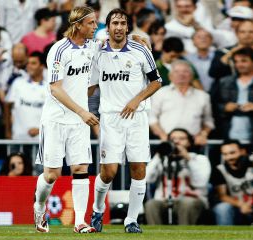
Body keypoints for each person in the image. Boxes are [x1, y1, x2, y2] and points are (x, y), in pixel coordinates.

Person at [89, 8, 162, 233]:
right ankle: (97, 210)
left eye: (122, 23)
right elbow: (90, 87)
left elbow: (156, 81)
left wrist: (136, 100)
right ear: (108, 27)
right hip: (110, 119)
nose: (119, 27)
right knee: (109, 171)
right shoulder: (98, 53)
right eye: (114, 23)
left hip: (137, 118)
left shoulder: (140, 49)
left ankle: (132, 220)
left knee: (138, 168)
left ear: (128, 27)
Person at [33, 6, 99, 234]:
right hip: (56, 120)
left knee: (81, 168)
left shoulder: (92, 46)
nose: (95, 27)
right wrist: (82, 110)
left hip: (79, 122)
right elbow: (55, 89)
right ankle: (39, 207)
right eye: (91, 23)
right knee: (52, 174)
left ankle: (80, 221)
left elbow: (112, 44)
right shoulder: (59, 50)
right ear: (78, 24)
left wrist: (136, 38)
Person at [145, 128, 211, 225]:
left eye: (182, 139)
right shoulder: (162, 159)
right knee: (151, 204)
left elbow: (200, 182)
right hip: (164, 201)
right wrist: (159, 155)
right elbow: (146, 178)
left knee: (187, 203)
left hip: (191, 201)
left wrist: (187, 158)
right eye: (173, 139)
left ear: (189, 142)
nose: (176, 142)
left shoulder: (199, 159)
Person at [149, 60, 214, 146]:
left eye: (185, 71)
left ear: (191, 76)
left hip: (193, 143)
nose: (181, 74)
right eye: (176, 72)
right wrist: (162, 135)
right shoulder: (160, 93)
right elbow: (151, 118)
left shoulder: (203, 96)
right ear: (170, 76)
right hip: (166, 142)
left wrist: (203, 134)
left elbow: (208, 121)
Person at [212, 47, 253, 142]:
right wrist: (225, 107)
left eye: (244, 61)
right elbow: (214, 105)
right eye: (236, 61)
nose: (239, 65)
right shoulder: (225, 82)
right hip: (229, 132)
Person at [212, 139, 253, 225]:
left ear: (242, 151)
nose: (229, 157)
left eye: (232, 153)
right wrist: (241, 205)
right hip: (236, 207)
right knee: (222, 208)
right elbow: (222, 196)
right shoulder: (219, 170)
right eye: (225, 154)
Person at [4, 51, 48, 141]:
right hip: (18, 137)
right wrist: (8, 131)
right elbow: (7, 106)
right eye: (28, 63)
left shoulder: (49, 87)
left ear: (42, 66)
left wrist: (41, 130)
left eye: (33, 63)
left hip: (41, 140)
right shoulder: (18, 83)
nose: (29, 66)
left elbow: (55, 115)